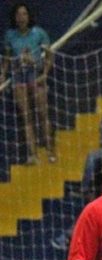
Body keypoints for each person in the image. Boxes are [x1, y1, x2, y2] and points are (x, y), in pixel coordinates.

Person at [2, 3, 55, 164]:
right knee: (26, 117)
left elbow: (49, 55)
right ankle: (33, 155)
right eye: (18, 15)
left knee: (42, 115)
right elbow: (6, 58)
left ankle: (50, 151)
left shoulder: (38, 33)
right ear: (14, 17)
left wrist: (44, 74)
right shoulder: (10, 35)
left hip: (35, 74)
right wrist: (2, 75)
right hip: (18, 77)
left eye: (24, 14)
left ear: (29, 16)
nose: (21, 18)